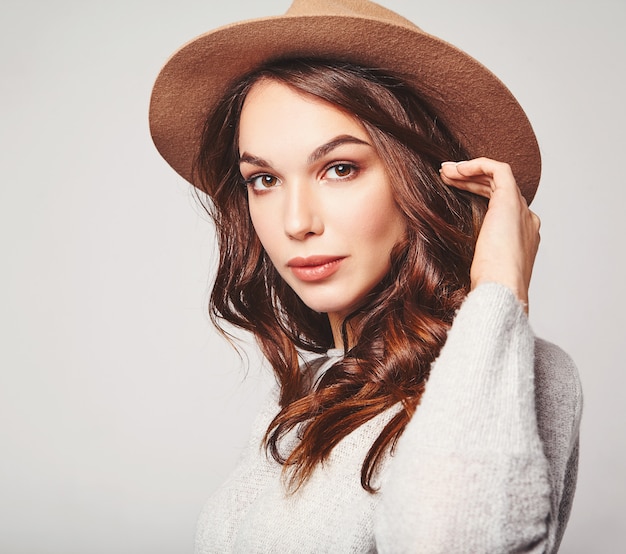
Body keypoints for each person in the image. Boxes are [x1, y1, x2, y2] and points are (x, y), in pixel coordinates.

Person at [149, 1, 582, 552]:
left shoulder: (522, 367)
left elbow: (456, 538)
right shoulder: (317, 384)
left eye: (340, 168)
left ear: (419, 180)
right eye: (263, 179)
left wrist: (499, 287)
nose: (296, 222)